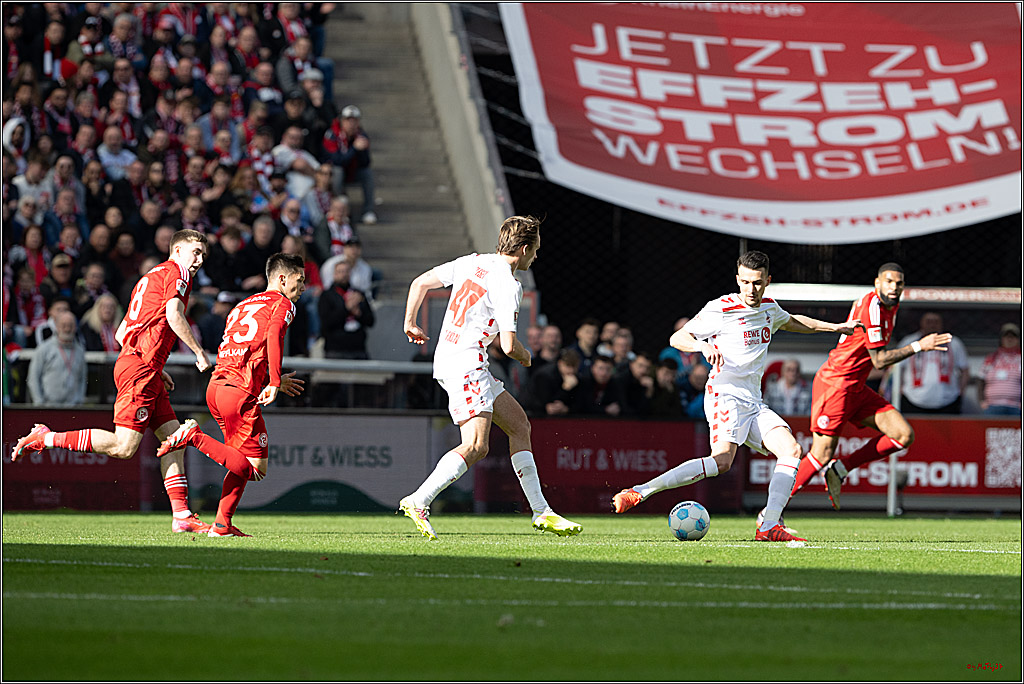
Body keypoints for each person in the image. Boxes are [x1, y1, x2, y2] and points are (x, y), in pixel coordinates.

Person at [612, 251, 861, 542]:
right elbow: (677, 338)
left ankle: (768, 525)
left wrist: (836, 327)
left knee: (791, 451)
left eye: (757, 283)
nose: (751, 290)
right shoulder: (721, 308)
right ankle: (638, 492)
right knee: (721, 462)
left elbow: (794, 321)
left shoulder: (769, 307)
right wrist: (703, 348)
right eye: (745, 282)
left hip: (753, 401)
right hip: (724, 396)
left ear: (768, 281)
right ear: (737, 280)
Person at [11, 230, 214, 534]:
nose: (199, 260)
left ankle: (181, 514)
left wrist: (156, 369)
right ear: (177, 250)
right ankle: (46, 437)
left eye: (202, 255)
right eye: (195, 252)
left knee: (174, 439)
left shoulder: (149, 277)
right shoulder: (178, 273)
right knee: (123, 447)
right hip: (139, 371)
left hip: (142, 368)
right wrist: (198, 350)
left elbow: (121, 334)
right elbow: (174, 315)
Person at [399, 215, 582, 539]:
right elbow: (509, 346)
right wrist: (526, 355)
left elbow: (419, 283)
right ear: (524, 248)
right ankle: (419, 500)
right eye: (535, 250)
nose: (536, 256)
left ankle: (542, 512)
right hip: (466, 363)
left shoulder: (473, 262)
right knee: (476, 445)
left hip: (457, 359)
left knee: (519, 424)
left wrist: (410, 322)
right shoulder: (509, 285)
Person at [156, 253, 307, 537]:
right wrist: (273, 381)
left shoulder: (243, 304)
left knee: (238, 459)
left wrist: (269, 378)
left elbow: (245, 349)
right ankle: (193, 437)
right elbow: (273, 334)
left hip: (217, 388)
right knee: (256, 468)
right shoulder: (283, 303)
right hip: (238, 392)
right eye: (300, 280)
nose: (303, 287)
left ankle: (222, 524)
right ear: (282, 279)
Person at [787, 263, 953, 511]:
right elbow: (880, 360)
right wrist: (919, 346)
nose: (894, 287)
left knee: (903, 434)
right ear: (877, 283)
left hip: (856, 386)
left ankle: (840, 469)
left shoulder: (892, 306)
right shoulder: (873, 307)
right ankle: (770, 513)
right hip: (836, 383)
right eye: (888, 282)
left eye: (899, 283)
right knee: (821, 453)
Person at [892, 312, 969, 414]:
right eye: (928, 322)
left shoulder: (954, 343)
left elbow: (964, 369)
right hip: (913, 399)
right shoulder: (909, 341)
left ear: (941, 324)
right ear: (921, 323)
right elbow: (897, 367)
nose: (932, 325)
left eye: (936, 322)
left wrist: (961, 391)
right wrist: (899, 389)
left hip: (948, 400)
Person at [323, 105, 376, 225]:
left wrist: (363, 150)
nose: (351, 124)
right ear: (342, 121)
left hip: (353, 171)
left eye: (354, 121)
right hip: (335, 173)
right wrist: (354, 149)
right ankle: (339, 206)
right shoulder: (332, 135)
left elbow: (366, 163)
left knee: (367, 174)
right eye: (348, 120)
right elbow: (336, 160)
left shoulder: (361, 135)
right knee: (337, 171)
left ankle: (368, 211)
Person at [27, 310, 87, 405]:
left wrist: (79, 401)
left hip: (72, 407)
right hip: (48, 406)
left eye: (70, 325)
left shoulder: (80, 351)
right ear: (57, 327)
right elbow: (33, 378)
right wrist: (39, 403)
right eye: (64, 325)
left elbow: (82, 379)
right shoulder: (44, 349)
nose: (67, 329)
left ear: (75, 327)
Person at [318, 259, 374, 359]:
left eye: (346, 271)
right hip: (335, 350)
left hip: (358, 349)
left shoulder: (359, 294)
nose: (344, 275)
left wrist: (358, 313)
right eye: (340, 272)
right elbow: (326, 323)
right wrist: (346, 308)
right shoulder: (327, 296)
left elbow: (370, 321)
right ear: (334, 274)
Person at [978, 323, 1022, 416]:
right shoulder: (991, 359)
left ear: (1018, 340)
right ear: (1001, 339)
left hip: (1016, 407)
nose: (1009, 339)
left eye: (1013, 337)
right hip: (992, 406)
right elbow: (981, 380)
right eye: (1006, 336)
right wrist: (982, 401)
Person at [522, 348, 581, 417]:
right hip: (533, 415)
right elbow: (547, 404)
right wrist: (565, 389)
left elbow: (580, 403)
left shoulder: (577, 377)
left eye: (574, 366)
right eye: (568, 366)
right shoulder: (544, 376)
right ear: (560, 363)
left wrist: (567, 409)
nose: (571, 370)